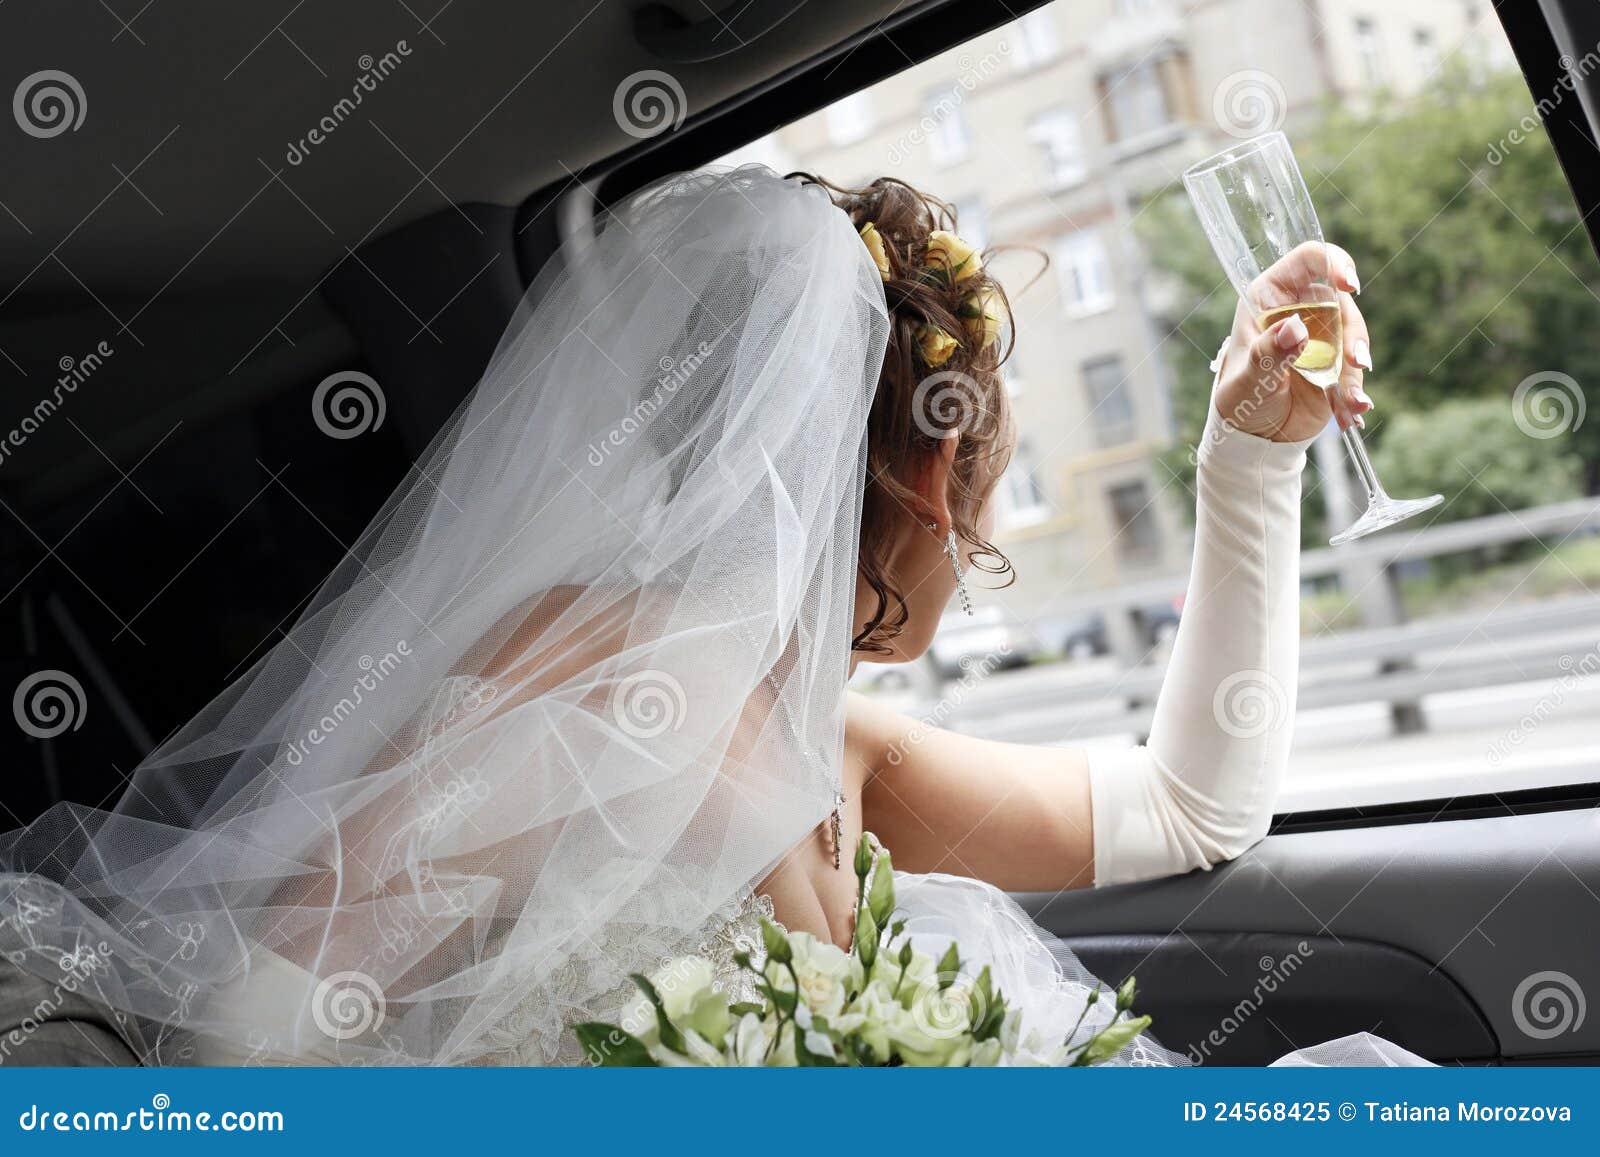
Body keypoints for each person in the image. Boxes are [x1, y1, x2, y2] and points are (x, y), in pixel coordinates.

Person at [0, 166, 1417, 1067]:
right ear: (933, 471)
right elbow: (253, 1042)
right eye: (993, 476)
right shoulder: (584, 677)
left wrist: (1250, 457)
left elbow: (1191, 804)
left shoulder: (832, 748)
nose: (980, 526)